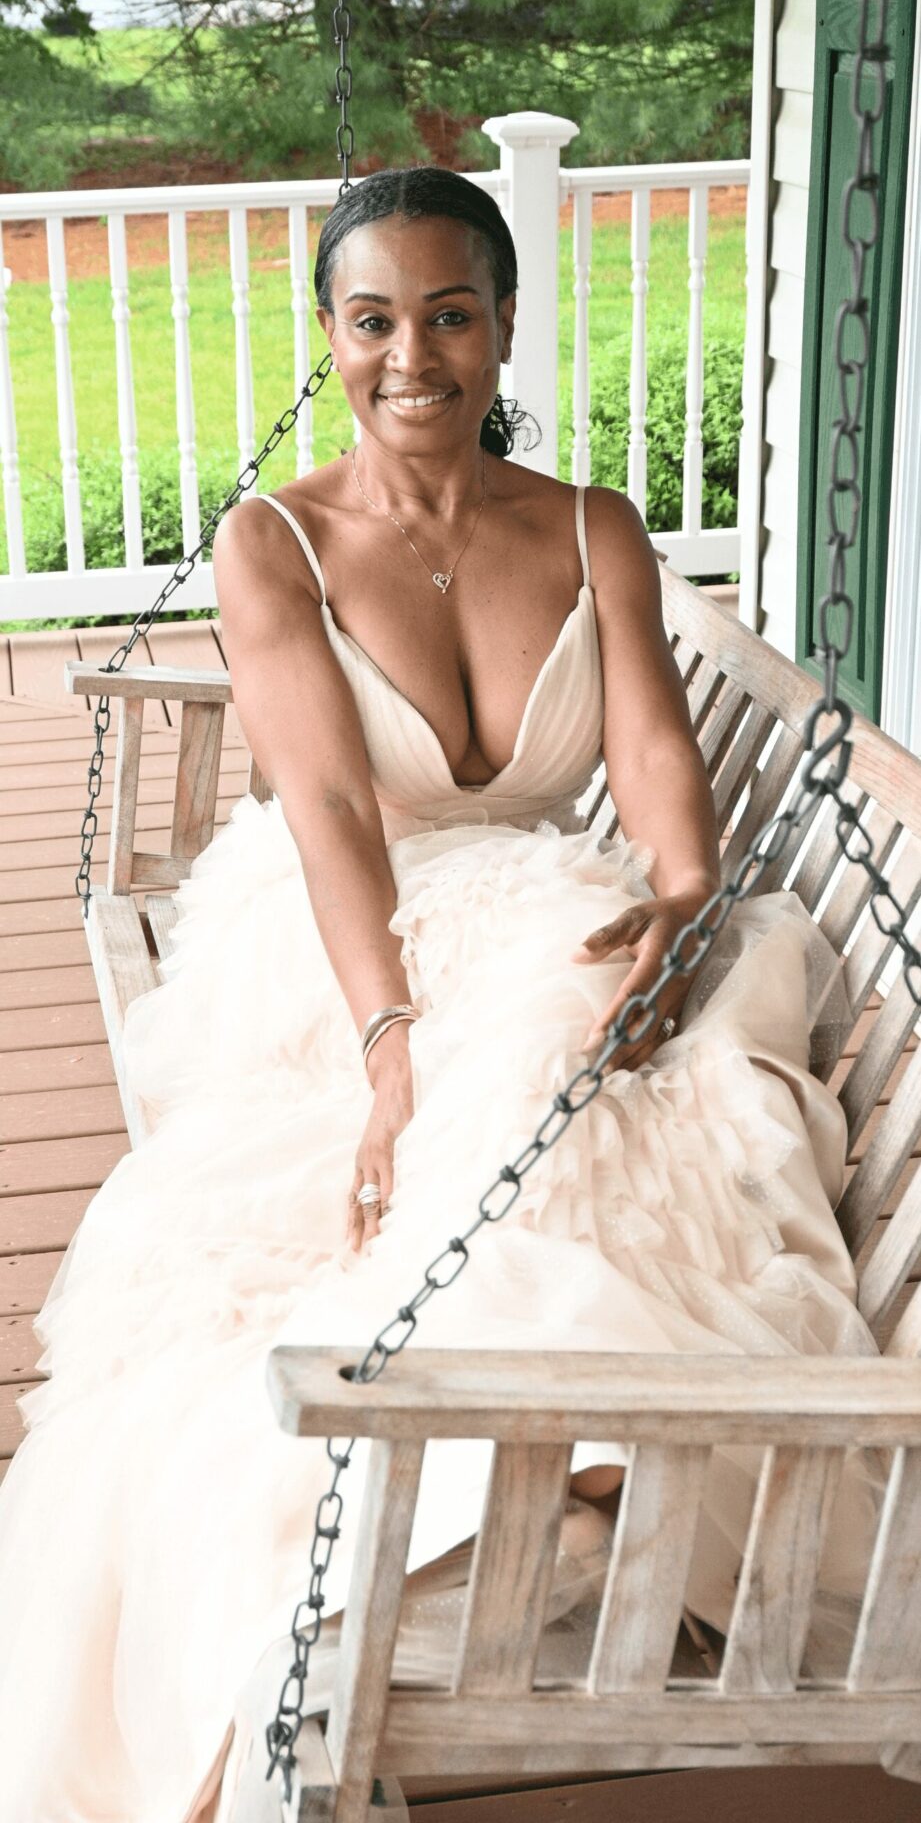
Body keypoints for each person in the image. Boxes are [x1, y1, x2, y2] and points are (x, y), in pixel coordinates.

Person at [0, 168, 886, 1822]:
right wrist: (386, 1036)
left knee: (610, 1033)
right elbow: (331, 805)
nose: (413, 355)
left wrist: (686, 894)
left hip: (546, 893)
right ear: (329, 335)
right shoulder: (275, 543)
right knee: (464, 1095)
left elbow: (643, 755)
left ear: (502, 325)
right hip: (351, 927)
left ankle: (522, 1464)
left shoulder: (584, 525)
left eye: (451, 313)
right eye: (373, 318)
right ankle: (449, 1485)